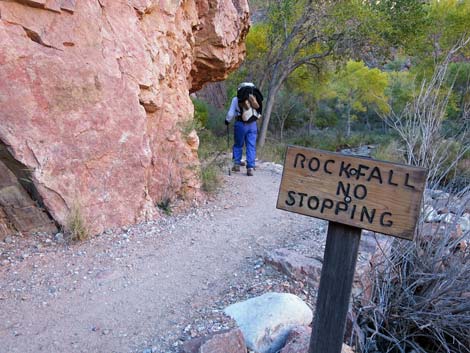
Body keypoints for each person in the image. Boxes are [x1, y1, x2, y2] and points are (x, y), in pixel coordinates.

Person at [225, 82, 263, 176]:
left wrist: (227, 121)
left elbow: (230, 114)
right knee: (251, 145)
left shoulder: (236, 99)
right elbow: (259, 112)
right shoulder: (255, 98)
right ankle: (250, 167)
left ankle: (237, 164)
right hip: (252, 124)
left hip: (240, 124)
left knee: (238, 145)